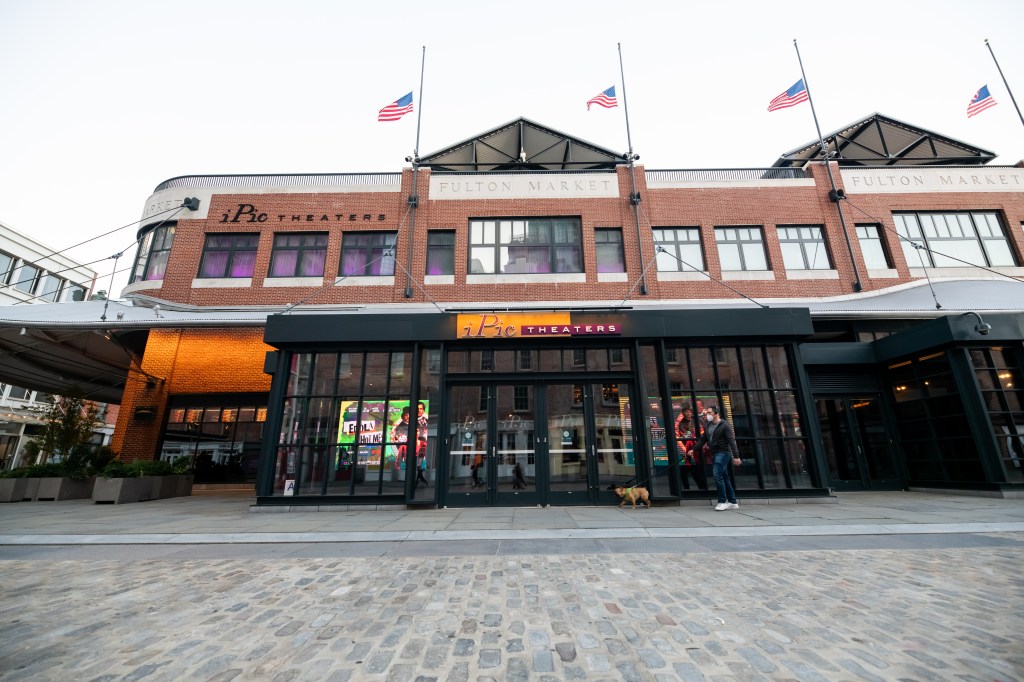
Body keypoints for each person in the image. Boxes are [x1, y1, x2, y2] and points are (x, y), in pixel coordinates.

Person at [689, 405, 741, 511]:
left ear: (716, 413)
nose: (707, 415)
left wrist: (736, 456)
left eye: (709, 413)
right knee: (724, 477)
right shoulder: (708, 425)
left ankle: (722, 501)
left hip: (723, 453)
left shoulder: (724, 425)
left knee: (717, 475)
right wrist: (693, 449)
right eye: (706, 413)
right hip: (715, 453)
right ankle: (733, 501)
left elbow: (731, 441)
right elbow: (702, 439)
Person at [675, 406, 706, 490]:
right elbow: (681, 435)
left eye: (690, 412)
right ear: (683, 413)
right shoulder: (681, 423)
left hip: (695, 448)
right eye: (686, 412)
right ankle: (691, 488)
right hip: (687, 449)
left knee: (693, 471)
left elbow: (702, 432)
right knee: (686, 471)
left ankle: (700, 487)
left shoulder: (696, 422)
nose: (689, 413)